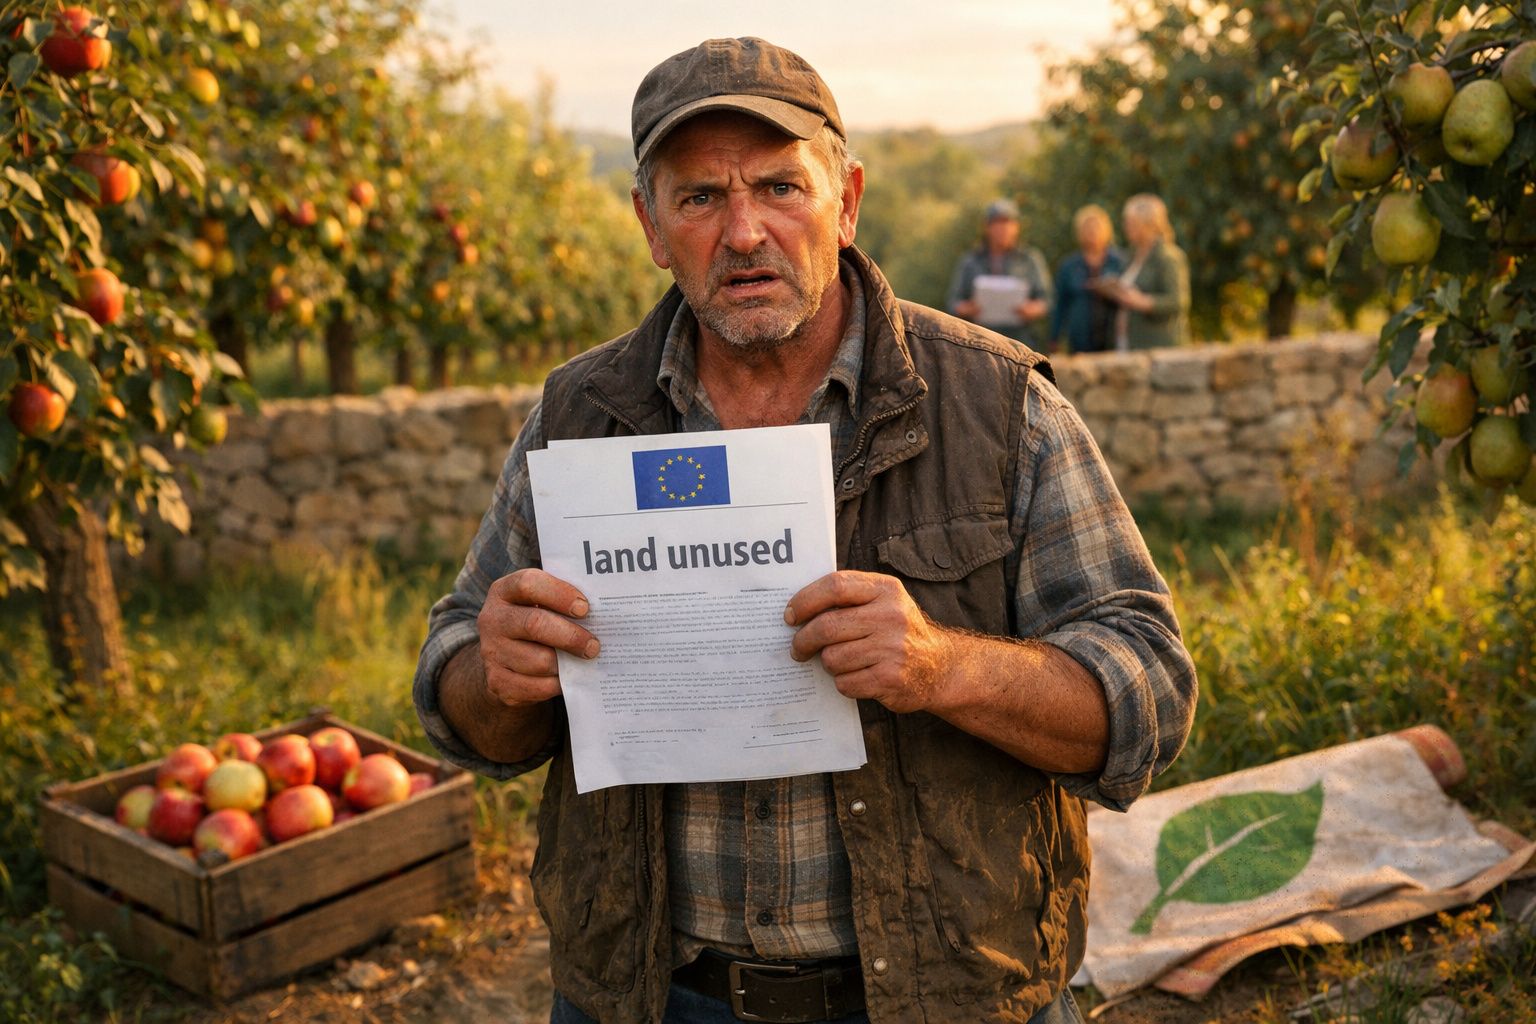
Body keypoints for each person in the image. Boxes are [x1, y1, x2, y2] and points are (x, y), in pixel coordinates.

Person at [413, 36, 1197, 1024]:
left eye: (782, 187)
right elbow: (457, 691)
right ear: (651, 225)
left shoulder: (997, 408)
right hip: (652, 999)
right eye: (700, 197)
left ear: (849, 199)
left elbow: (1151, 697)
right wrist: (498, 671)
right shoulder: (580, 417)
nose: (745, 233)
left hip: (952, 997)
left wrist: (945, 667)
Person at [945, 197, 1055, 350]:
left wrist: (1031, 309)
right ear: (987, 227)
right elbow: (953, 302)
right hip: (979, 342)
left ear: (1017, 227)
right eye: (997, 223)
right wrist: (968, 308)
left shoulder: (1030, 260)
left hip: (1021, 342)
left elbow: (1046, 300)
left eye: (1007, 223)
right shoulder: (970, 261)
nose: (1002, 228)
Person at [1092, 193, 1191, 350]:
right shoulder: (1130, 256)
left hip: (1157, 346)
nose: (1125, 227)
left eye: (1130, 222)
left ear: (1147, 224)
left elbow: (1178, 302)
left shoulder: (1169, 257)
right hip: (1126, 343)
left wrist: (1143, 301)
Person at [1049, 204, 1125, 355]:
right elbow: (1060, 305)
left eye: (1097, 227)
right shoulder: (1069, 266)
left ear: (1106, 230)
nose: (1092, 232)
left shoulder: (1119, 262)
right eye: (1087, 228)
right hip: (1080, 339)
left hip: (1112, 336)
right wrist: (1054, 338)